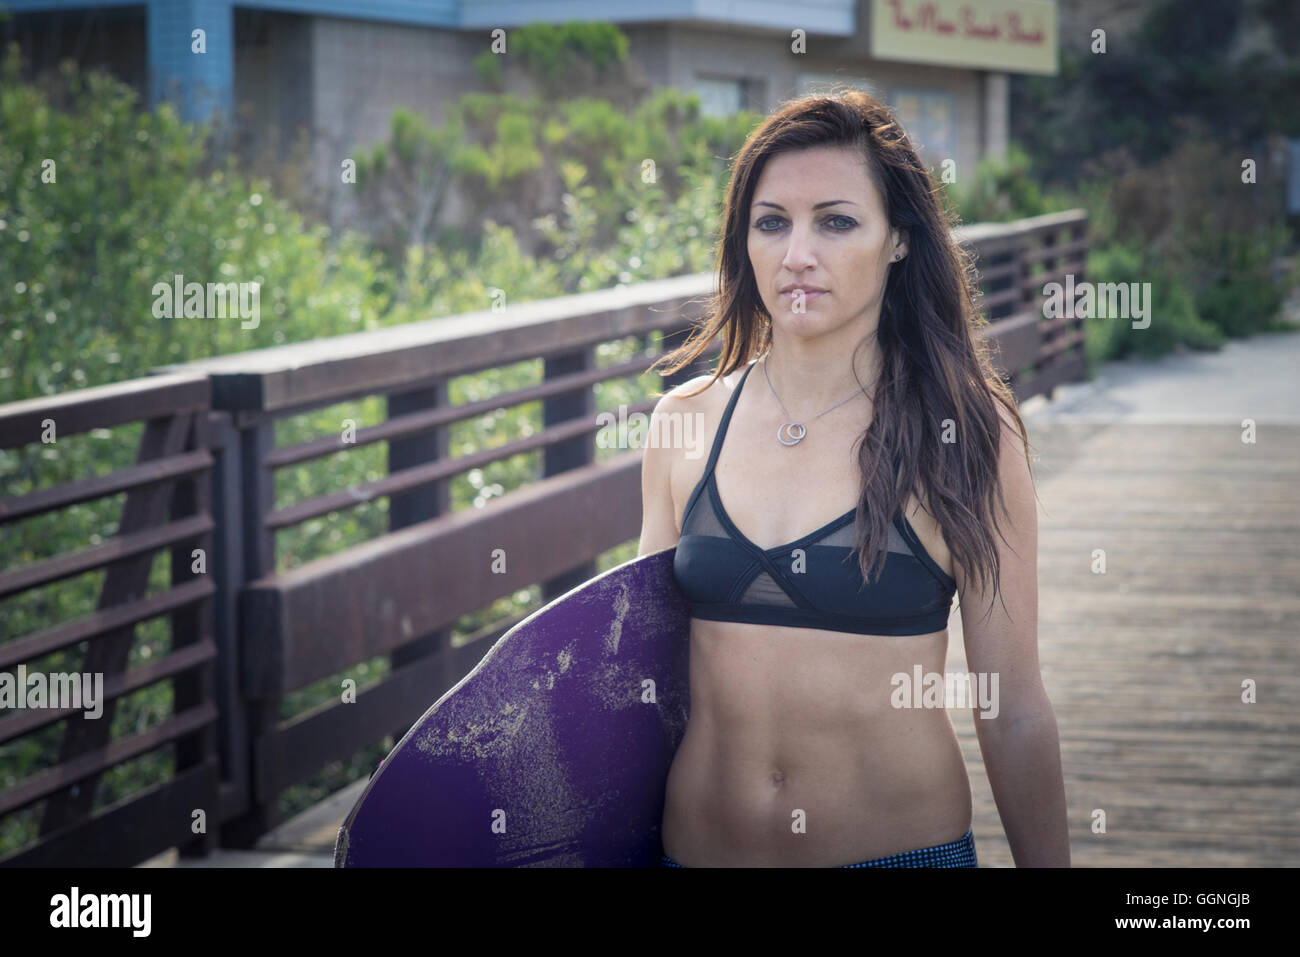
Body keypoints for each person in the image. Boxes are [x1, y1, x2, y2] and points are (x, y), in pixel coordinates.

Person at [637, 88, 1070, 867]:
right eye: (773, 222)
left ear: (898, 239)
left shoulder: (967, 431)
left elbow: (1012, 707)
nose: (798, 253)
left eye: (836, 221)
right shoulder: (685, 420)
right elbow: (635, 675)